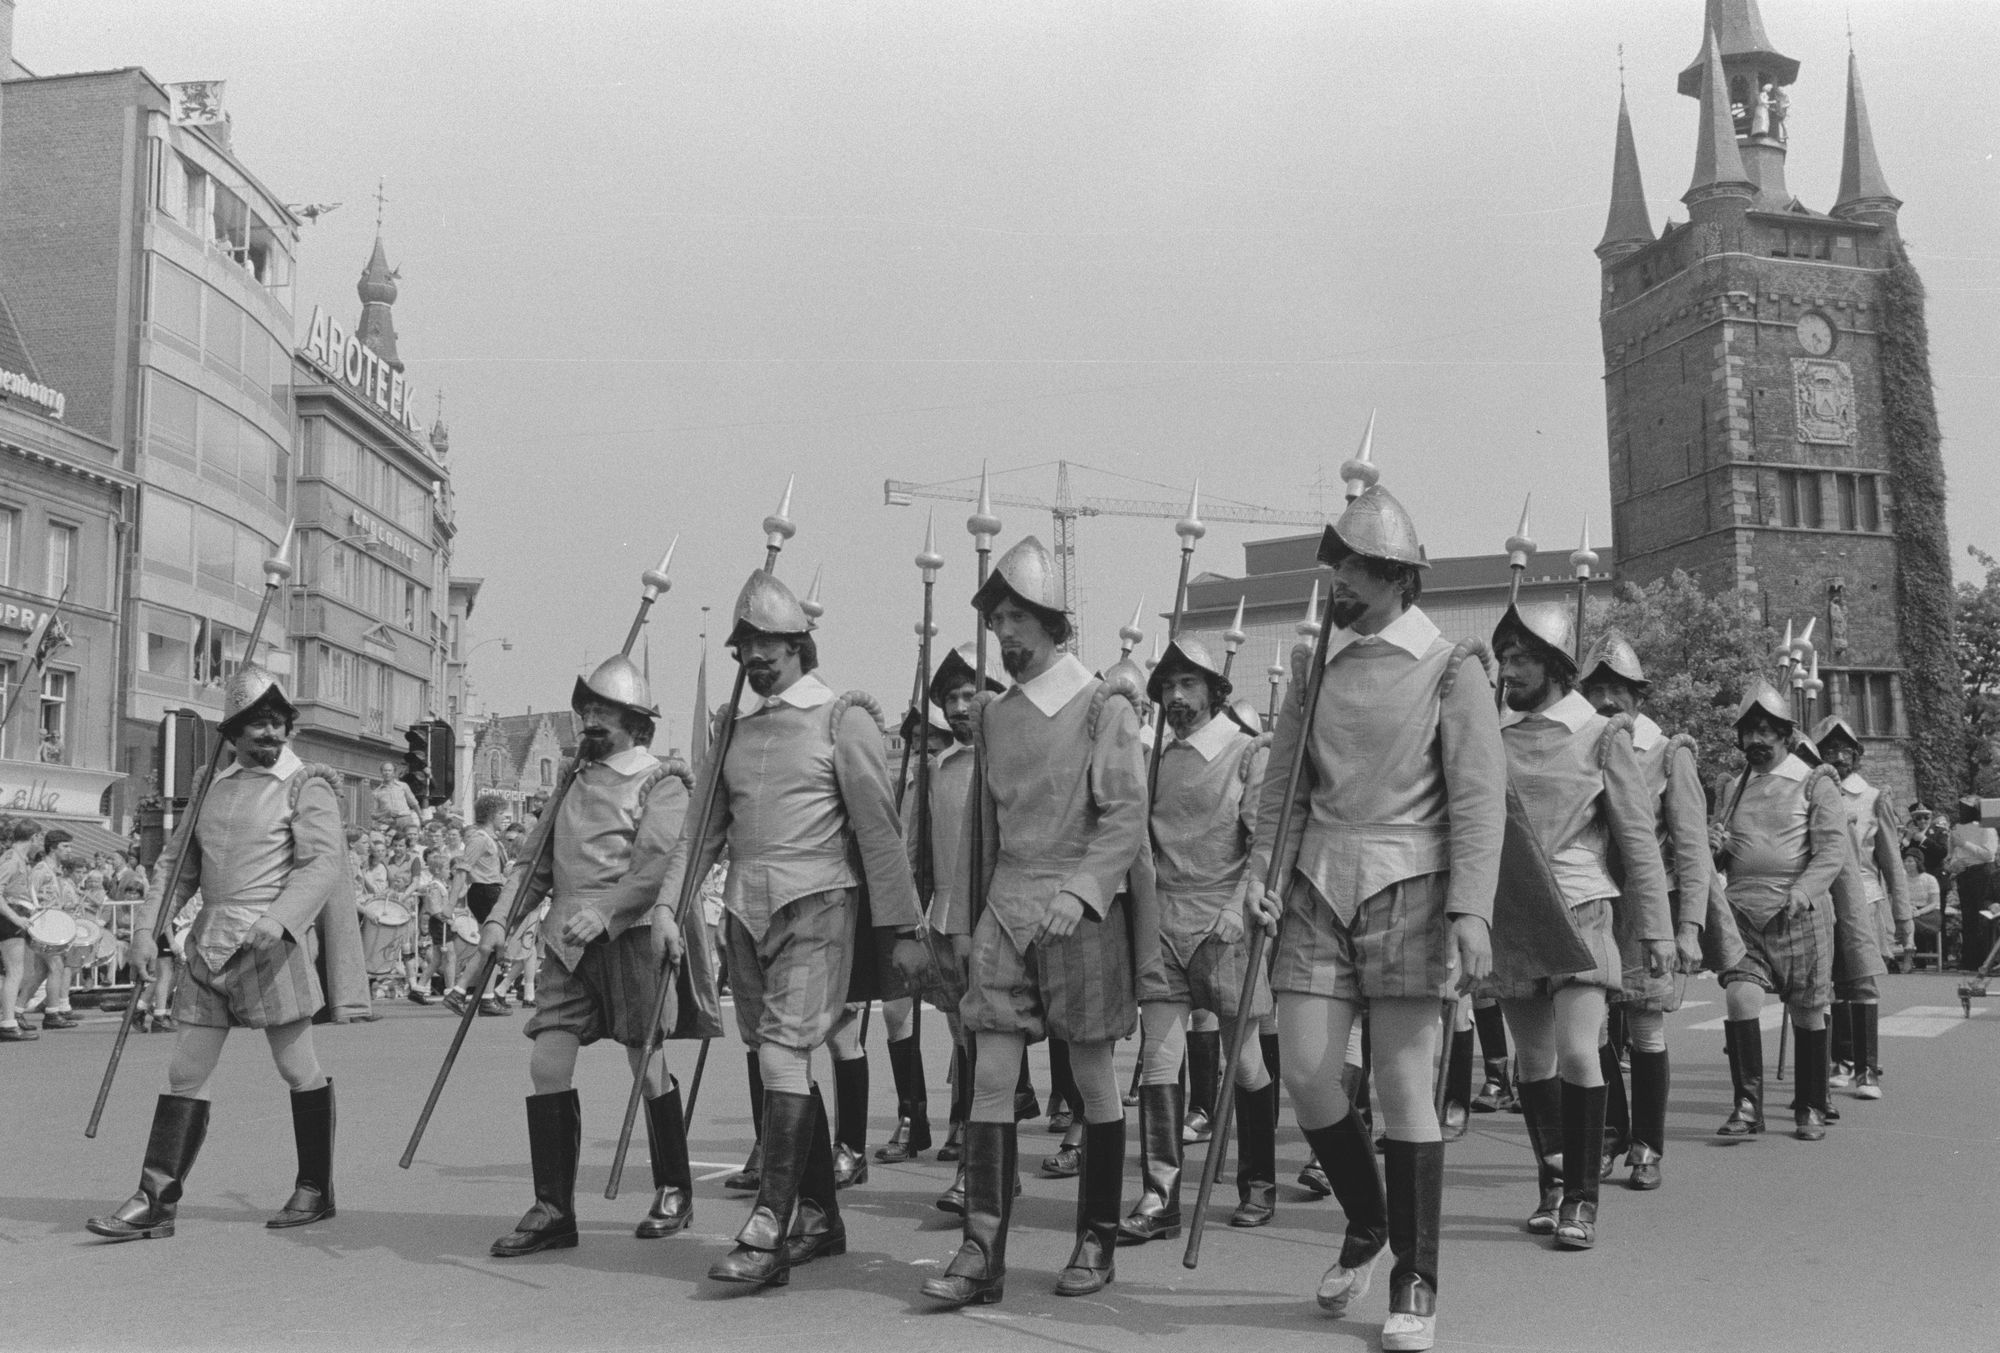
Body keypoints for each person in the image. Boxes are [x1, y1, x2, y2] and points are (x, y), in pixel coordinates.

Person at [1243, 487, 1503, 1353]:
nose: (1337, 585)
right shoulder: (1317, 665)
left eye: (1351, 569)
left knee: (1401, 1086)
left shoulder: (1452, 665)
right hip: (1319, 877)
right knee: (1311, 1075)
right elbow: (1282, 787)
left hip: (1413, 880)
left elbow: (1478, 797)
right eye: (1335, 568)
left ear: (1394, 575)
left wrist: (1471, 909)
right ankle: (1369, 1216)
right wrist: (1260, 876)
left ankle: (1415, 1279)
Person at [670, 569, 925, 1289]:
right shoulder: (735, 728)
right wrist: (669, 907)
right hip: (747, 911)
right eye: (745, 642)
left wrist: (902, 928)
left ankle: (768, 1227)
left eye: (769, 642)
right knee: (773, 1058)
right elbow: (702, 833)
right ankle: (818, 1213)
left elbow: (879, 831)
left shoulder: (841, 716)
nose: (756, 655)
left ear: (799, 643)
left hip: (818, 905)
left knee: (783, 1055)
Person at [922, 535, 1149, 1308]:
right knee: (988, 1074)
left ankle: (1096, 1237)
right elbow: (979, 829)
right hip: (1004, 911)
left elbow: (1125, 816)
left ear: (1054, 621)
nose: (1006, 634)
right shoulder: (993, 717)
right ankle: (981, 1248)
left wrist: (1083, 889)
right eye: (997, 620)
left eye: (1018, 617)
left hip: (1080, 914)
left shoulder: (1103, 706)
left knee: (1090, 1077)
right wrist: (959, 915)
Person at [88, 664, 364, 1240]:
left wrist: (281, 918)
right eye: (256, 724)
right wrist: (146, 931)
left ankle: (315, 1188)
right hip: (208, 946)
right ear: (233, 733)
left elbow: (322, 863)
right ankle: (155, 1201)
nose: (270, 733)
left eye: (277, 722)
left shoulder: (306, 783)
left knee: (297, 1069)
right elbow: (176, 866)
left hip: (272, 948)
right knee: (185, 1070)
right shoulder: (211, 783)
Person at [474, 654, 698, 1255]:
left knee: (645, 1066)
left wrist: (607, 912)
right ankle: (553, 1209)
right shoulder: (573, 779)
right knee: (547, 1065)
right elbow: (534, 865)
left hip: (628, 940)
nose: (589, 723)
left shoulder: (662, 780)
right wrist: (499, 921)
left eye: (603, 713)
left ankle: (674, 1188)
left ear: (636, 722)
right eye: (587, 712)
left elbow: (657, 867)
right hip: (565, 946)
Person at [1492, 602, 1672, 1251]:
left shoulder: (1602, 735)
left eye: (1520, 658)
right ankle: (1552, 1182)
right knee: (1533, 1058)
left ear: (1554, 665)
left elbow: (1639, 842)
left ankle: (1581, 1199)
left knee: (1577, 1050)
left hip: (1583, 906)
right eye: (1503, 657)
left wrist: (1657, 932)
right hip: (1512, 914)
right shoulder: (1495, 736)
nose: (1507, 669)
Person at [1119, 638, 1278, 1244]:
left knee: (1244, 1060)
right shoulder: (1151, 760)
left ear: (1216, 690)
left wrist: (1245, 904)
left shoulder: (1247, 754)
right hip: (1162, 924)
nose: (1177, 697)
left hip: (1225, 925)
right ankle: (1160, 1197)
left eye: (1190, 684)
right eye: (1168, 686)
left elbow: (1265, 842)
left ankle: (1258, 1183)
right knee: (1159, 1059)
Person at [1577, 633, 1711, 1191]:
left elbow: (1691, 845)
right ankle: (1612, 1130)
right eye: (1597, 689)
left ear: (1638, 697)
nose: (1607, 700)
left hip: (1645, 907)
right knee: (1589, 1028)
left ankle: (1648, 1144)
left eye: (1618, 690)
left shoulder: (1666, 751)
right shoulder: (1576, 743)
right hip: (1588, 900)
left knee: (1645, 1028)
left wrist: (1689, 925)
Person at [1709, 684, 1846, 1142]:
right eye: (1749, 732)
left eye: (1766, 731)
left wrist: (1804, 892)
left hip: (1799, 912)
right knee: (1739, 998)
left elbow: (1831, 853)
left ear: (1787, 736)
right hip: (1743, 911)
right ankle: (1747, 1106)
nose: (1756, 741)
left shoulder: (1816, 781)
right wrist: (1715, 849)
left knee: (1808, 1010)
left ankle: (1810, 1104)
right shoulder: (1731, 786)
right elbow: (1720, 855)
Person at [1811, 716, 1911, 1099]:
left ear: (1856, 756)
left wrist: (1904, 919)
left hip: (1863, 899)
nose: (1837, 757)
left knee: (1862, 982)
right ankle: (1842, 1061)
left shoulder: (1872, 798)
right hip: (1822, 901)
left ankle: (1868, 1070)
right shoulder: (1811, 793)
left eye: (1844, 750)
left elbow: (1891, 863)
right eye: (1829, 750)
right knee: (1831, 985)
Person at [445, 793, 514, 1013]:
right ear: (491, 814)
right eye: (502, 813)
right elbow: (462, 870)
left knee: (491, 948)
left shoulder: (490, 839)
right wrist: (450, 904)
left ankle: (483, 996)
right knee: (489, 946)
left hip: (492, 890)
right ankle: (462, 992)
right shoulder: (479, 839)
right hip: (484, 893)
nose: (506, 817)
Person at [0, 819, 44, 1041]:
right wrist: (16, 918)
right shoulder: (12, 859)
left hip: (16, 915)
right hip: (10, 917)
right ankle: (7, 1023)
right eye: (40, 838)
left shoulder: (19, 859)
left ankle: (9, 1018)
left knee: (15, 972)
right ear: (34, 837)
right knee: (14, 971)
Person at [371, 761, 422, 834]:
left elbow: (414, 803)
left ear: (394, 773)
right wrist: (386, 813)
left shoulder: (403, 786)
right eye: (385, 770)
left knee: (408, 840)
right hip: (388, 822)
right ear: (381, 773)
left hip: (405, 820)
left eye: (389, 770)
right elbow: (373, 814)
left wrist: (421, 818)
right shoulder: (377, 792)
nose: (387, 773)